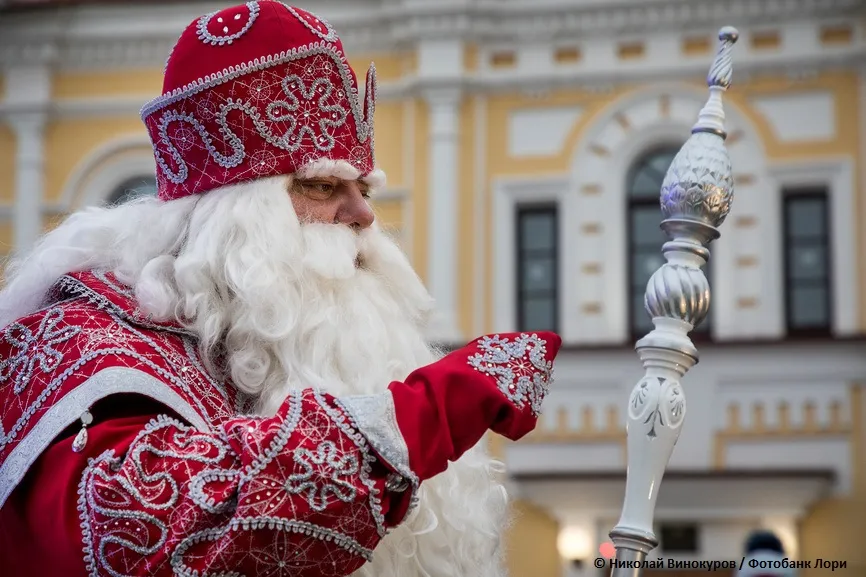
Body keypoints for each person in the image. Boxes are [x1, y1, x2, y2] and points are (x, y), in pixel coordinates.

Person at [0, 2, 562, 576]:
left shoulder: (255, 346)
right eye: (322, 185)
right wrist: (428, 412)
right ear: (228, 213)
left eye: (363, 187)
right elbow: (139, 530)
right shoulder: (82, 345)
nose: (364, 214)